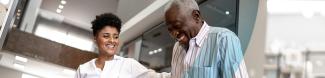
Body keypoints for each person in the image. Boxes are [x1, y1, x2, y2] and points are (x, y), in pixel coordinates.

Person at [164, 0, 249, 78]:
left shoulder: (224, 39)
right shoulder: (177, 48)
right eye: (170, 30)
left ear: (196, 16)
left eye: (177, 26)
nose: (174, 33)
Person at [74, 13, 169, 78]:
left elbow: (158, 77)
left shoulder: (129, 64)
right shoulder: (83, 69)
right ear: (95, 38)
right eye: (106, 36)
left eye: (115, 37)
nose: (112, 41)